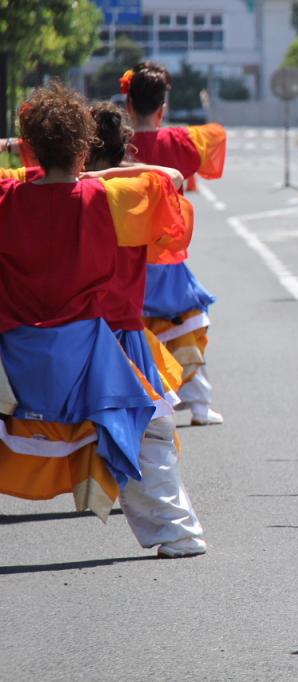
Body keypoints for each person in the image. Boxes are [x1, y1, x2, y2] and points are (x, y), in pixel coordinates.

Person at [0, 83, 205, 558]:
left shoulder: (7, 197)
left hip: (18, 351)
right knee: (148, 424)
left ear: (30, 143)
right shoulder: (106, 195)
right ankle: (175, 533)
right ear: (84, 144)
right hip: (86, 348)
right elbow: (171, 179)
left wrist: (17, 148)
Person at [121, 61, 229, 426]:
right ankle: (198, 404)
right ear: (162, 106)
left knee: (129, 331)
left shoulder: (111, 143)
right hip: (167, 255)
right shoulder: (178, 141)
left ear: (128, 104)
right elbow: (215, 137)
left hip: (123, 255)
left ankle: (140, 399)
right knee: (188, 326)